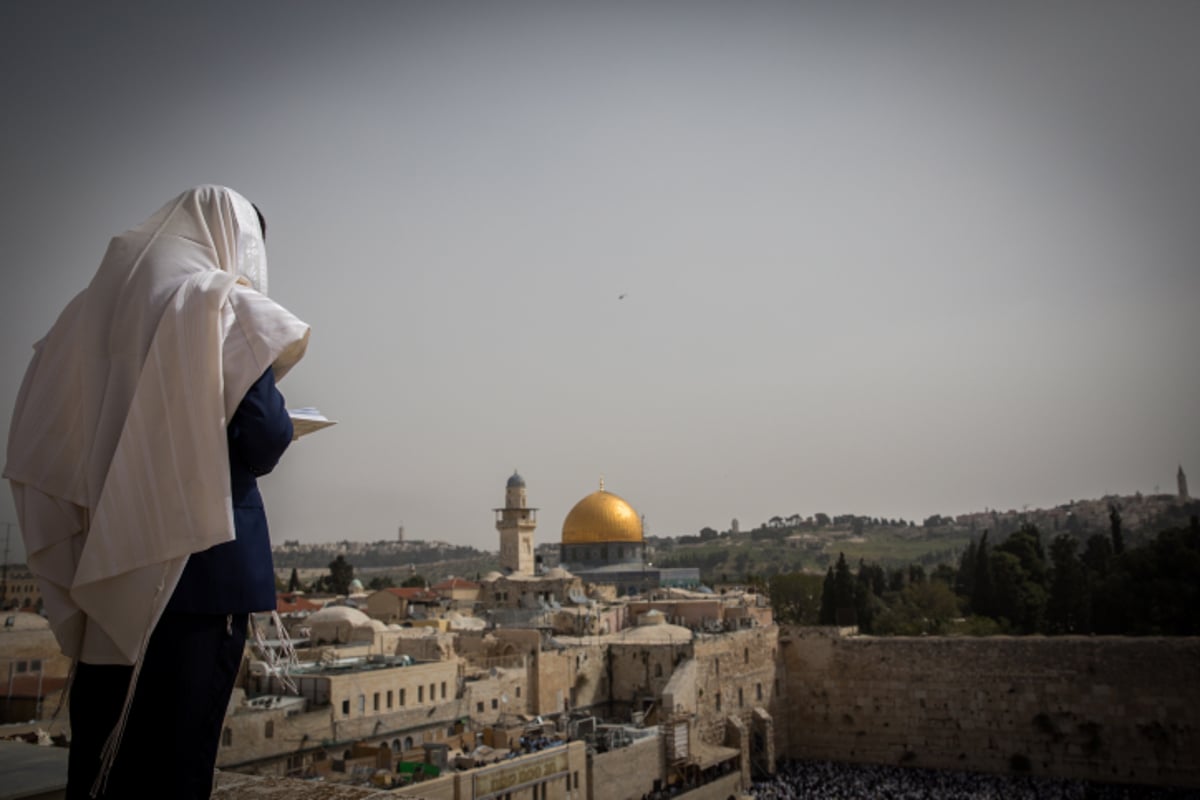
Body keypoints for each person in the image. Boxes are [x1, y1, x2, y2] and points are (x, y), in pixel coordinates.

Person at [4, 186, 310, 798]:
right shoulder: (214, 305)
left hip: (106, 564)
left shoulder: (83, 315)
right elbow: (264, 437)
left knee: (107, 752)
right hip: (198, 571)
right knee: (177, 757)